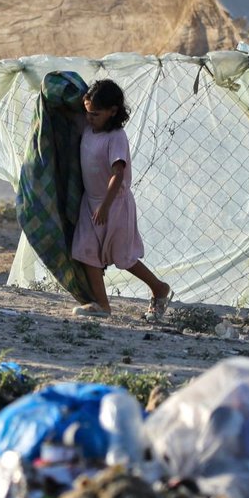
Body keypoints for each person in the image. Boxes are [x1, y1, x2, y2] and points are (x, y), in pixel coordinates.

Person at [71, 79, 173, 320]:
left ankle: (159, 288)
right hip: (91, 202)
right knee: (86, 250)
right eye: (87, 113)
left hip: (114, 205)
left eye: (95, 114)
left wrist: (105, 206)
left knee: (123, 257)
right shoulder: (88, 130)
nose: (90, 118)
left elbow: (118, 174)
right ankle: (102, 306)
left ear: (113, 111)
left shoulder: (115, 137)